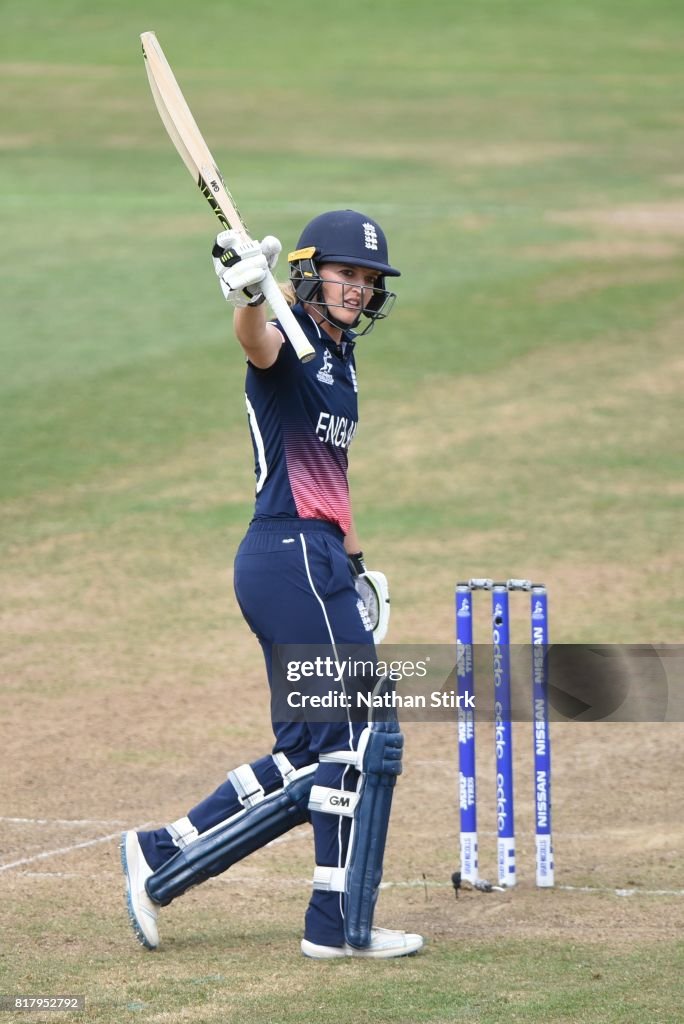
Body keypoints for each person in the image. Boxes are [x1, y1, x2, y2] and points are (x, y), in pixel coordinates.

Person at [120, 209, 423, 960]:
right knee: (359, 737)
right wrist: (249, 294)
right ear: (310, 271)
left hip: (311, 560)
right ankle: (336, 925)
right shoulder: (288, 337)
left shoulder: (340, 360)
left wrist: (357, 569)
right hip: (287, 554)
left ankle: (162, 848)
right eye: (346, 273)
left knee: (305, 752)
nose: (357, 288)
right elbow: (253, 343)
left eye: (367, 280)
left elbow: (333, 475)